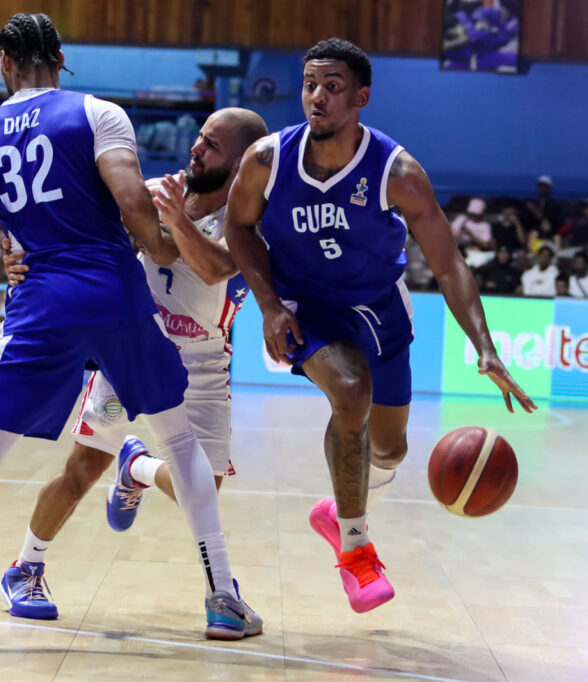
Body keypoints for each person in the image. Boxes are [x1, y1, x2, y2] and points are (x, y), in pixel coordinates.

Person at [0, 13, 259, 650]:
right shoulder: (99, 114)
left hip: (38, 303)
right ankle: (221, 594)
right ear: (60, 58)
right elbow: (136, 212)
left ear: (5, 62)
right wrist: (160, 249)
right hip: (116, 296)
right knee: (181, 442)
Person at [224, 38, 535, 614]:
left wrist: (485, 347)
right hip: (304, 306)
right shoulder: (267, 160)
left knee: (388, 451)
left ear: (361, 96)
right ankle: (357, 550)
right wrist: (269, 304)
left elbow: (448, 262)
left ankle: (337, 508)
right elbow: (240, 229)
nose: (317, 98)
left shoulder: (399, 173)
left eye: (333, 87)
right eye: (311, 85)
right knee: (350, 393)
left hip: (378, 311)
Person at [0, 107, 268, 622]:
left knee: (204, 490)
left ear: (240, 165)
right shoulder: (152, 191)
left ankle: (138, 467)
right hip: (131, 350)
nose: (196, 147)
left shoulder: (251, 219)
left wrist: (172, 219)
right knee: (81, 468)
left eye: (211, 144)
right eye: (201, 136)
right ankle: (24, 568)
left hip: (203, 365)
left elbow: (215, 268)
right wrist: (18, 252)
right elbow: (65, 220)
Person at [524, 174, 563, 250]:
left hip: (551, 234)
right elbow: (527, 221)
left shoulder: (554, 205)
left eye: (544, 186)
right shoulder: (532, 203)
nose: (542, 188)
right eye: (540, 186)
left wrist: (548, 225)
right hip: (535, 233)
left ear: (549, 188)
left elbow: (558, 221)